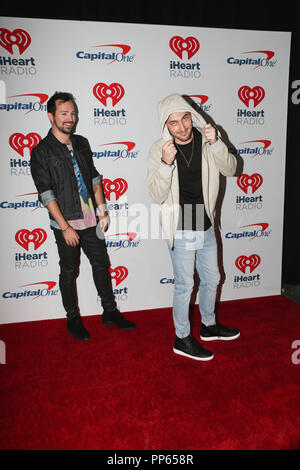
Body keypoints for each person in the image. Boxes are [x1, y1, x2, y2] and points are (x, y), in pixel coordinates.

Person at [31, 91, 135, 340]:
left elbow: (94, 177)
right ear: (51, 116)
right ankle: (73, 319)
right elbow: (46, 193)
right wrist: (64, 227)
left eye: (73, 113)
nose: (70, 118)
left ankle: (110, 312)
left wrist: (102, 211)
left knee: (102, 265)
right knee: (69, 271)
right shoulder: (41, 151)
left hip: (91, 220)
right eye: (64, 113)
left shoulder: (82, 143)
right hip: (66, 223)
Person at [148, 93, 240, 361]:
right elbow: (156, 194)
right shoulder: (159, 149)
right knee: (185, 285)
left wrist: (217, 143)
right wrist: (166, 163)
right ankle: (182, 338)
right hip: (182, 225)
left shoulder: (209, 139)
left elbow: (231, 169)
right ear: (166, 125)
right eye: (173, 122)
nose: (181, 127)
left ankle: (209, 326)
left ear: (192, 115)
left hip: (206, 222)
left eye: (185, 118)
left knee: (212, 279)